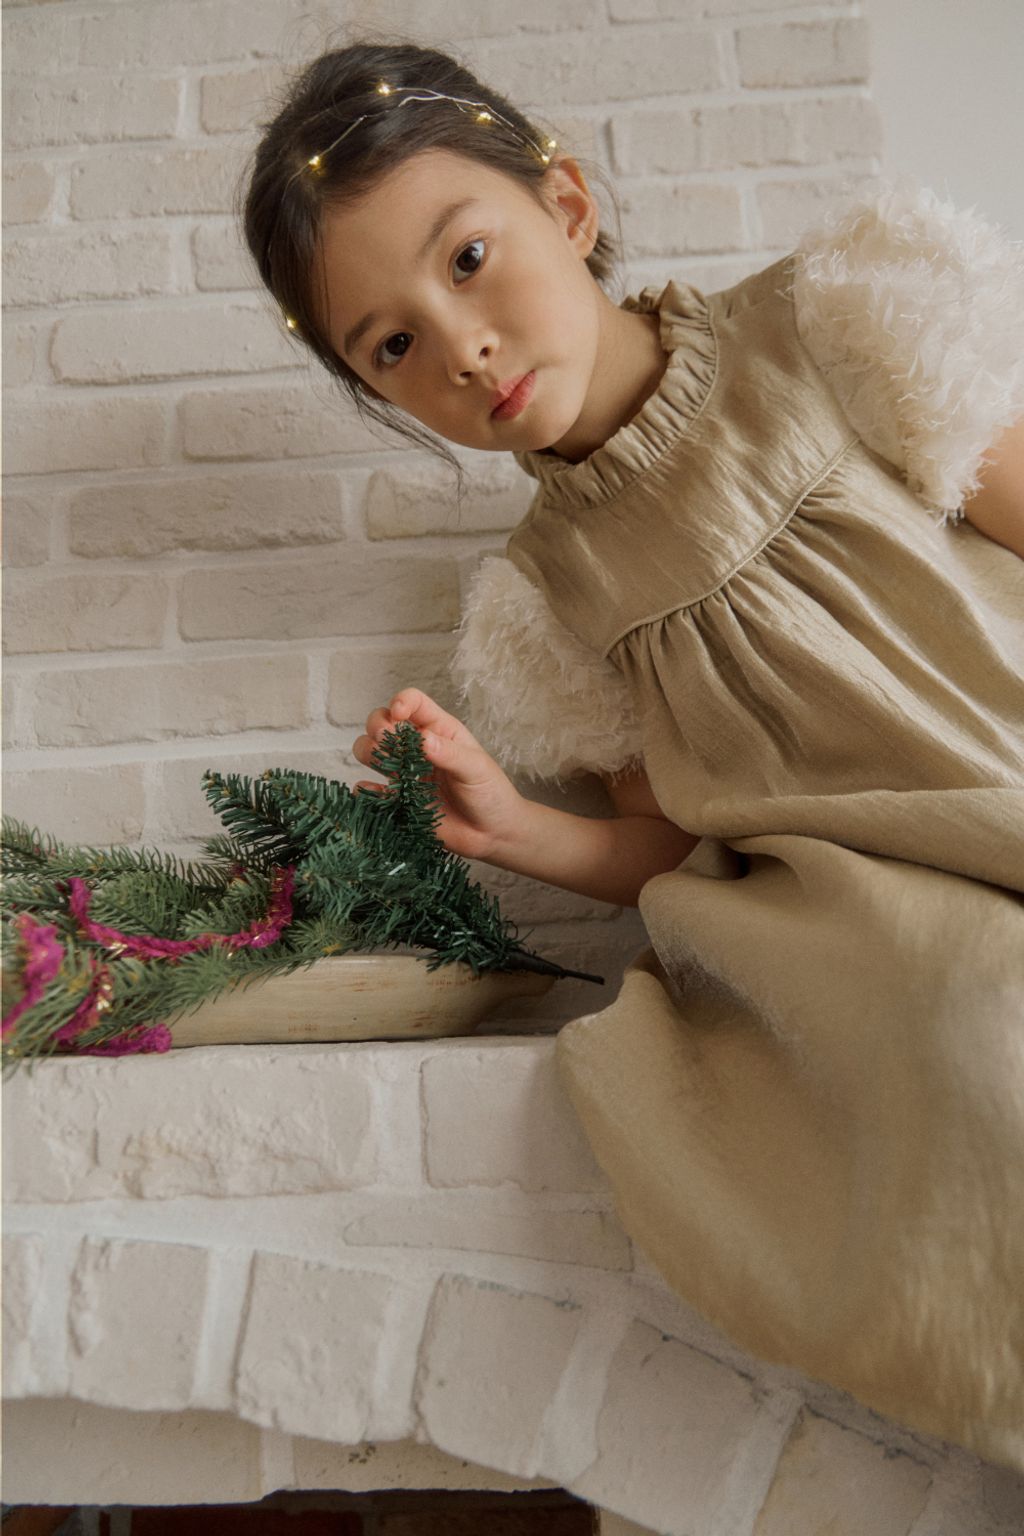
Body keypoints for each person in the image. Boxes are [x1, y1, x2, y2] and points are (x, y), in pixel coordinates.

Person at [243, 41, 1024, 1469]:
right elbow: (667, 843)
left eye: (469, 260)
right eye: (391, 346)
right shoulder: (547, 600)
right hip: (869, 901)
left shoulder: (824, 325)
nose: (461, 347)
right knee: (981, 1039)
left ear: (568, 205)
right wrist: (506, 826)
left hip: (1006, 765)